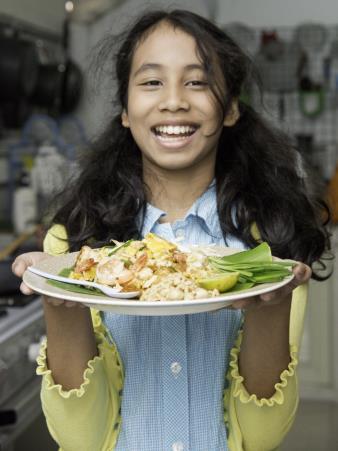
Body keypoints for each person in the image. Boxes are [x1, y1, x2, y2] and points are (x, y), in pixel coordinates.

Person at [12, 9, 330, 451]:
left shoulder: (268, 248)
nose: (174, 100)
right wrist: (60, 297)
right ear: (125, 110)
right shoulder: (73, 243)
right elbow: (77, 439)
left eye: (197, 82)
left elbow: (261, 436)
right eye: (151, 82)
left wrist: (270, 308)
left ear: (232, 107)